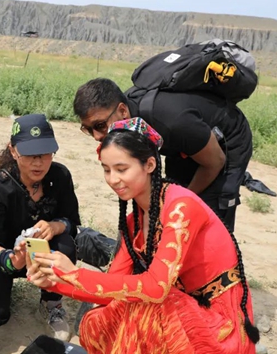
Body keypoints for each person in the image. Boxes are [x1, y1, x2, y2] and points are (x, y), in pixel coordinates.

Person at [26, 117, 259, 353]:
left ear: (149, 165)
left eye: (121, 169)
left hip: (217, 321)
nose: (113, 179)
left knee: (148, 306)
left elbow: (156, 288)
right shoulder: (134, 221)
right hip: (179, 307)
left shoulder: (181, 207)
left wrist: (75, 274)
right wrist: (55, 281)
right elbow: (114, 285)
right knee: (96, 321)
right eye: (106, 170)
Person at [73, 78, 252, 232]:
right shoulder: (127, 119)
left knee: (207, 212)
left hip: (225, 141)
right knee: (170, 195)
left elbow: (215, 162)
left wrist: (176, 204)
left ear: (122, 111)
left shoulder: (171, 121)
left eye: (100, 126)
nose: (97, 136)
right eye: (88, 129)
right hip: (183, 143)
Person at [0, 114, 80, 341]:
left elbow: (72, 222)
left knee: (66, 244)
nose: (38, 162)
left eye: (45, 153)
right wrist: (11, 260)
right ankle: (4, 284)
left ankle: (51, 302)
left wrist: (56, 226)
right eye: (29, 154)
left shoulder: (59, 176)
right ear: (13, 151)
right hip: (2, 258)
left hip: (42, 255)